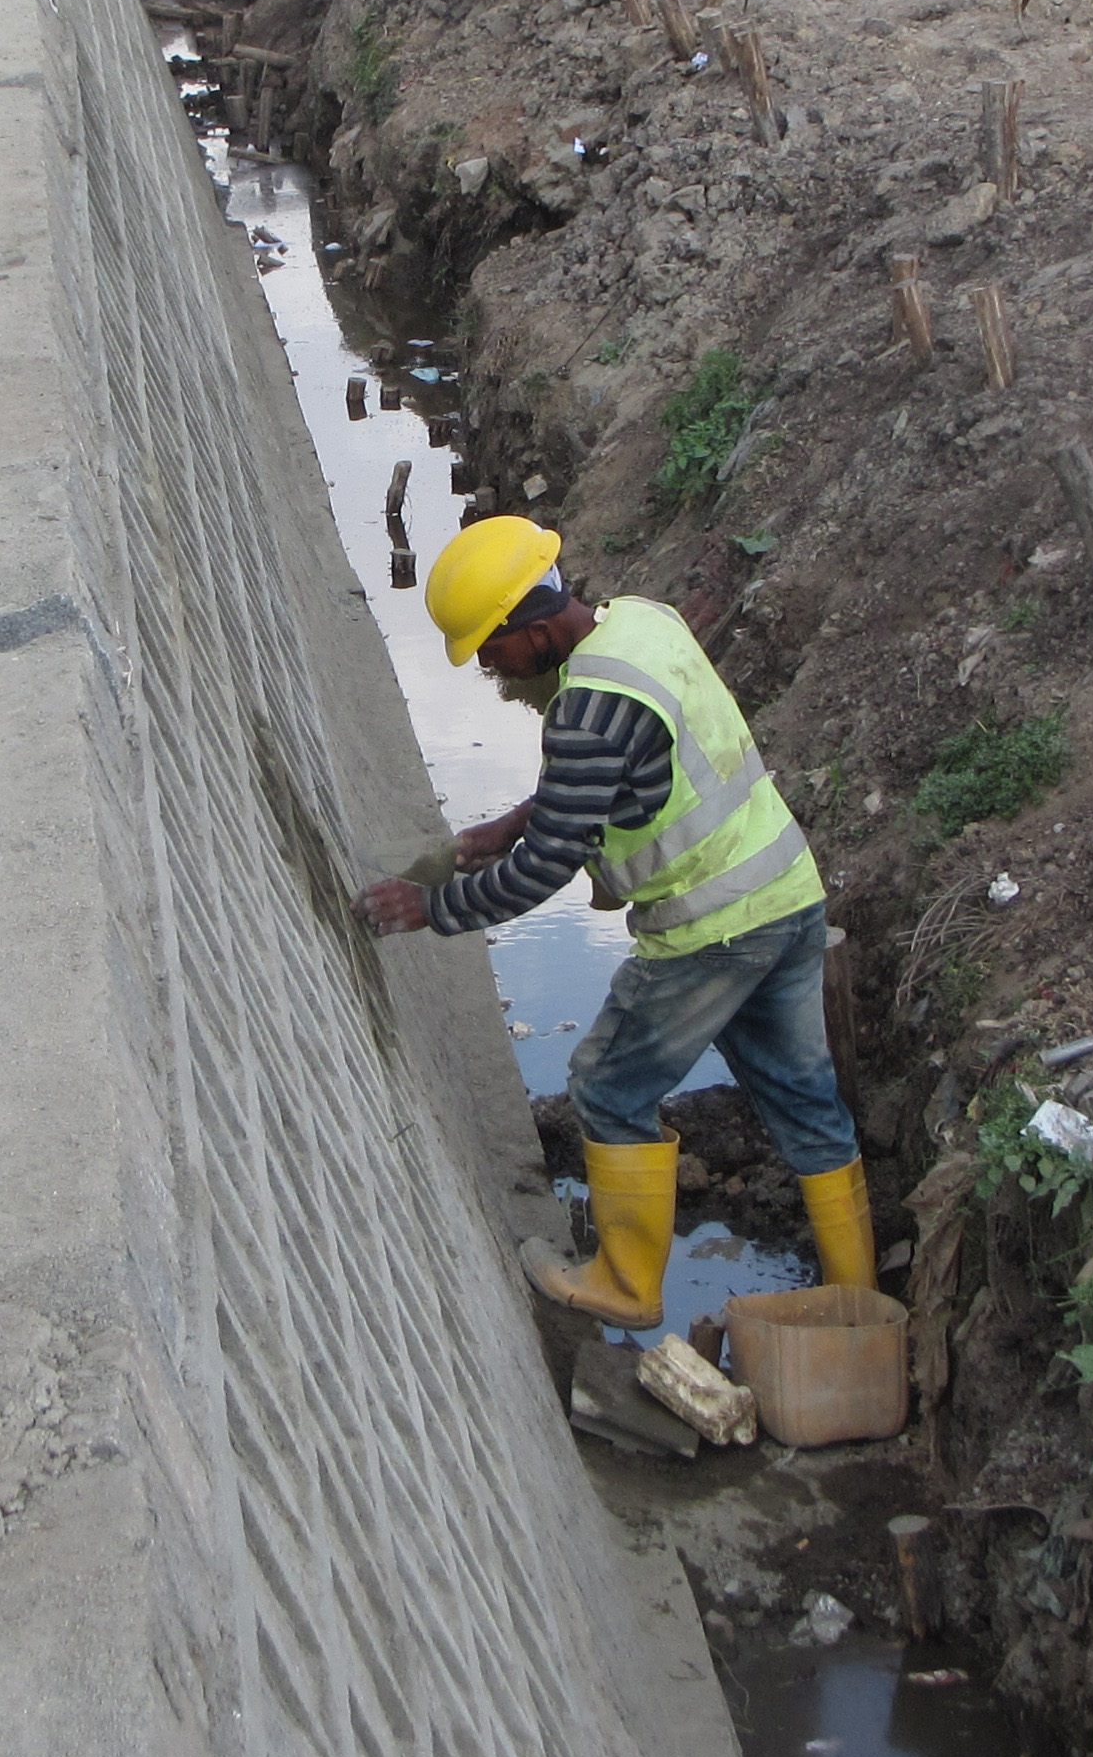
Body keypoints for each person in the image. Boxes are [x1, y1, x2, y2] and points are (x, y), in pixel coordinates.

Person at [360, 517, 872, 1326]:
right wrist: (515, 819)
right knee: (807, 1102)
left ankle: (627, 1289)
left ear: (530, 631)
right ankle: (858, 1301)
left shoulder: (585, 711)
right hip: (788, 898)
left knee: (606, 1085)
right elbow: (613, 772)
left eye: (491, 652)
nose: (490, 670)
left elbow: (544, 870)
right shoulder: (643, 623)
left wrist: (430, 909)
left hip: (711, 932)